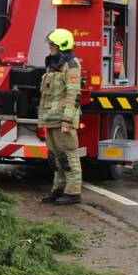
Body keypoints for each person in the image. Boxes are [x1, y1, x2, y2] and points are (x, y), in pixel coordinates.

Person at [38, 28, 83, 206]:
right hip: (51, 118)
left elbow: (73, 95)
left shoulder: (71, 66)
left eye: (53, 44)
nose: (50, 47)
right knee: (54, 157)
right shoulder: (54, 64)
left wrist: (67, 120)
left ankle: (73, 192)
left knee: (68, 156)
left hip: (63, 120)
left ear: (62, 45)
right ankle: (58, 189)